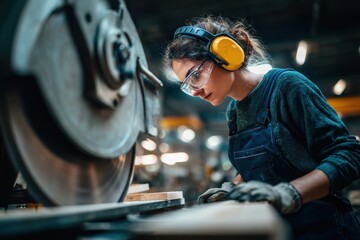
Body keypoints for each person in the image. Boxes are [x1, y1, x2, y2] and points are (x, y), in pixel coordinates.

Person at [162, 15, 360, 239]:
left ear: (223, 55)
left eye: (196, 76)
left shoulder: (287, 86)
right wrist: (235, 188)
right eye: (187, 86)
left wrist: (290, 193)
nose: (195, 91)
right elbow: (261, 170)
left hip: (326, 228)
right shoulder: (234, 112)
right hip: (280, 230)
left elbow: (348, 154)